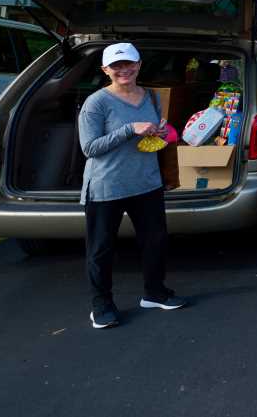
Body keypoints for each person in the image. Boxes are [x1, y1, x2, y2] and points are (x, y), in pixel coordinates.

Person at [79, 42, 187, 329]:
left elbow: (150, 140)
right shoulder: (96, 103)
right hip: (107, 186)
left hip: (146, 182)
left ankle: (155, 292)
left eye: (128, 64)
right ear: (105, 70)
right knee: (101, 248)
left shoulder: (150, 96)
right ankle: (101, 306)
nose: (123, 70)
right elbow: (89, 147)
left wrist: (160, 133)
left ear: (139, 65)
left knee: (155, 241)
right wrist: (129, 129)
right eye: (116, 66)